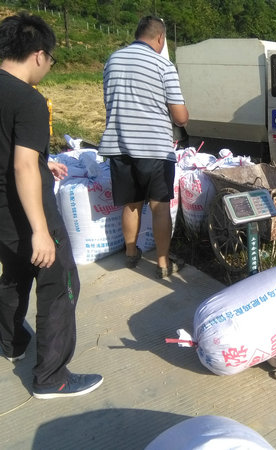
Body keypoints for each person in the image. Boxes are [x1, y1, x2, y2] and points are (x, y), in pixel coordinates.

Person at [0, 12, 103, 399]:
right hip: (29, 213)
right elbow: (22, 165)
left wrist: (44, 162)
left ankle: (10, 342)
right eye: (51, 60)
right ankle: (52, 377)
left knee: (14, 275)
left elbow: (15, 152)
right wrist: (41, 231)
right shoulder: (29, 100)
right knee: (60, 284)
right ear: (39, 54)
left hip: (2, 214)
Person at [98, 16, 189, 278]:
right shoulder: (164, 65)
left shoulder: (112, 60)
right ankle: (162, 263)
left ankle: (130, 253)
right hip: (155, 150)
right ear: (160, 38)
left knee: (131, 204)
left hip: (119, 146)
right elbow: (180, 117)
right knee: (160, 206)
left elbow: (109, 102)